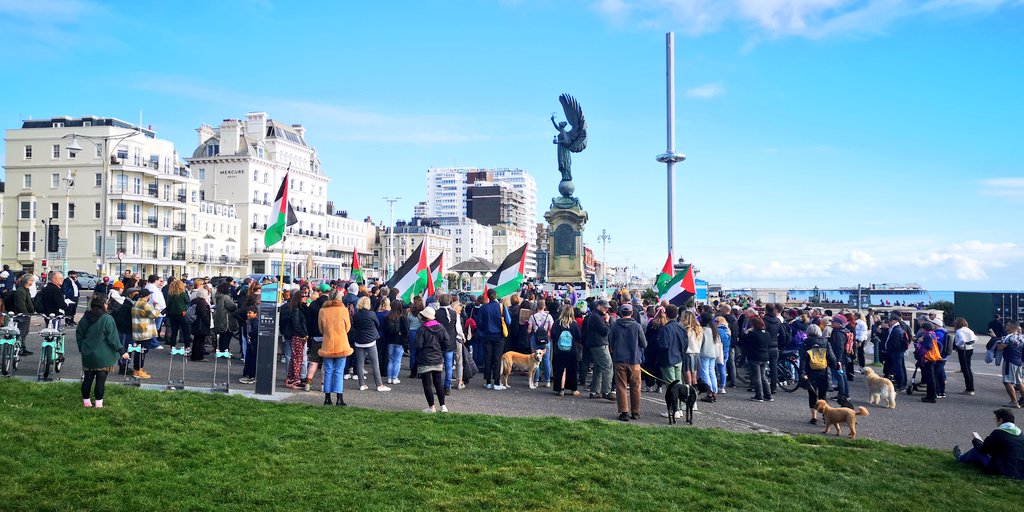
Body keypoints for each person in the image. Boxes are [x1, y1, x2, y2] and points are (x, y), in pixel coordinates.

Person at [76, 293, 130, 408]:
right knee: (100, 381)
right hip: (103, 354)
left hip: (88, 353)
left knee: (88, 379)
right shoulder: (107, 318)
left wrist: (82, 347)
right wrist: (122, 351)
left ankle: (86, 402)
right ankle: (99, 404)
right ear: (103, 305)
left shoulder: (86, 317)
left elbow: (79, 334)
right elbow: (113, 338)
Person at [954, 408, 1024, 480]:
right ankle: (972, 460)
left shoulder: (998, 433)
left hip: (1002, 470)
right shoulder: (1020, 434)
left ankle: (960, 457)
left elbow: (982, 450)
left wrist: (976, 441)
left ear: (1000, 420)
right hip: (1020, 470)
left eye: (995, 419)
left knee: (976, 451)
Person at [609, 303, 646, 421]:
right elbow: (644, 343)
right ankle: (636, 411)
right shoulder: (637, 326)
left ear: (621, 312)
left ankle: (624, 411)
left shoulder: (615, 326)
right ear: (631, 313)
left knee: (621, 386)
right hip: (634, 360)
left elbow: (611, 342)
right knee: (636, 386)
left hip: (619, 359)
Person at [319, 289, 353, 406]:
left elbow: (321, 329)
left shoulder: (323, 311)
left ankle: (327, 398)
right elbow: (347, 327)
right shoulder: (343, 310)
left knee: (328, 370)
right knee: (339, 371)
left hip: (327, 343)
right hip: (341, 343)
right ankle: (339, 398)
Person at [800, 324, 837, 425]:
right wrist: (833, 366)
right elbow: (832, 357)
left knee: (812, 394)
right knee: (822, 394)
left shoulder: (805, 343)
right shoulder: (825, 342)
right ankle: (826, 416)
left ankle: (814, 417)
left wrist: (803, 373)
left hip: (810, 371)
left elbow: (803, 360)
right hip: (823, 371)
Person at [414, 306, 449, 412]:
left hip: (425, 359)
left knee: (427, 384)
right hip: (437, 357)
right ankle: (443, 406)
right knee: (438, 382)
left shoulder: (422, 329)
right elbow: (447, 342)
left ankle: (431, 407)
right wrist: (440, 350)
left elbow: (418, 344)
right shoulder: (441, 327)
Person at [352, 296, 390, 392]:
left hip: (359, 340)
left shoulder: (356, 315)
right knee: (375, 363)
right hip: (370, 340)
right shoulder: (372, 313)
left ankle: (362, 384)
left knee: (360, 364)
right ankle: (379, 384)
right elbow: (377, 324)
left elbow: (354, 326)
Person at [476, 289, 507, 390]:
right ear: (496, 295)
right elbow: (508, 321)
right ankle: (497, 382)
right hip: (499, 335)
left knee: (487, 357)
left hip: (487, 335)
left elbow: (479, 322)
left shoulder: (483, 308)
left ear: (488, 296)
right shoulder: (501, 307)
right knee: (497, 358)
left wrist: (484, 329)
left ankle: (488, 381)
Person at [551, 302, 582, 397]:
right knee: (571, 369)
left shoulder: (557, 323)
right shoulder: (574, 324)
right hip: (571, 350)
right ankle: (573, 388)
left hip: (559, 350)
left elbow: (553, 335)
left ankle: (560, 389)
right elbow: (578, 336)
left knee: (559, 369)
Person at [585, 299, 613, 400]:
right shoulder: (597, 317)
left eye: (607, 308)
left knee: (598, 368)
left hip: (596, 344)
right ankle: (606, 391)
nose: (606, 310)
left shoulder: (594, 315)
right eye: (605, 307)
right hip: (600, 344)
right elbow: (605, 331)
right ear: (599, 306)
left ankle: (595, 391)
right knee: (607, 367)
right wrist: (607, 321)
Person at [129, 289, 160, 379]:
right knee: (142, 351)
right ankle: (138, 370)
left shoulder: (136, 303)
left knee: (139, 351)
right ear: (147, 296)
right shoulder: (145, 305)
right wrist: (157, 306)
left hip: (137, 331)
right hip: (145, 332)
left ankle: (138, 368)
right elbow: (154, 314)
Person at [741, 314, 771, 402]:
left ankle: (759, 395)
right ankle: (768, 395)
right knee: (763, 376)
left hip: (754, 356)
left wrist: (746, 332)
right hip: (764, 356)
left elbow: (744, 341)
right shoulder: (767, 333)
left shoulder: (752, 333)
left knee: (756, 377)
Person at [435, 295, 460, 394]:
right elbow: (457, 329)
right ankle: (447, 387)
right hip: (450, 341)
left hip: (438, 342)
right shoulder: (454, 314)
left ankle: (439, 387)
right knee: (449, 366)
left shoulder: (436, 313)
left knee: (438, 366)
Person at [996, 322, 1024, 408]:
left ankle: (1014, 401)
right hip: (1019, 361)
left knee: (1007, 381)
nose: (1006, 326)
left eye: (1007, 325)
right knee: (1019, 382)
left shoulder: (1009, 337)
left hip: (1009, 360)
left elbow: (1000, 348)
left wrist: (998, 343)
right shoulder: (1022, 337)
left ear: (1012, 327)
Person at [527, 299, 554, 388]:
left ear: (536, 307)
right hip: (545, 340)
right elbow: (551, 328)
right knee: (546, 360)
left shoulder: (532, 317)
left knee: (535, 360)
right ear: (544, 306)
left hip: (535, 339)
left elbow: (529, 330)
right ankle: (547, 381)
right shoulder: (548, 316)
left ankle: (536, 381)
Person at [382, 298, 409, 385]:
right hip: (399, 340)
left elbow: (384, 330)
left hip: (390, 340)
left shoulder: (387, 317)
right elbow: (406, 331)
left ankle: (389, 378)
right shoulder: (403, 318)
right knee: (397, 360)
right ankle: (395, 378)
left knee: (390, 359)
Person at [9, 274, 36, 355]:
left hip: (25, 314)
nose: (32, 282)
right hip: (22, 315)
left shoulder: (25, 290)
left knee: (24, 333)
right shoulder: (21, 291)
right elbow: (21, 304)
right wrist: (26, 314)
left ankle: (22, 348)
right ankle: (19, 349)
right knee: (21, 333)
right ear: (26, 281)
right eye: (31, 281)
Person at [915, 321, 941, 404]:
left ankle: (931, 396)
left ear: (925, 329)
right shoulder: (933, 334)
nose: (922, 330)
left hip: (928, 359)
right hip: (933, 358)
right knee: (931, 378)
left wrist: (920, 342)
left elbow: (928, 346)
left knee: (930, 379)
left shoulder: (927, 336)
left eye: (922, 328)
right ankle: (930, 395)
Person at [698, 312, 721, 402]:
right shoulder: (714, 329)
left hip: (704, 353)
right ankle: (714, 391)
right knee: (712, 372)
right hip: (714, 353)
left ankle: (709, 392)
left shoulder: (703, 330)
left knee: (704, 373)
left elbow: (700, 343)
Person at [829, 316, 851, 403]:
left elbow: (840, 347)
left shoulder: (838, 333)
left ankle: (842, 395)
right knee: (843, 375)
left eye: (833, 322)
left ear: (838, 324)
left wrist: (838, 360)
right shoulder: (844, 331)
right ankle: (845, 394)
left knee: (840, 376)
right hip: (843, 357)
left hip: (839, 358)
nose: (831, 323)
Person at [954, 317, 978, 396]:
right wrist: (970, 343)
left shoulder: (959, 331)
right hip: (970, 349)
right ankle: (970, 388)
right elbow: (976, 339)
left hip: (963, 349)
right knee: (968, 368)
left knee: (965, 369)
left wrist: (957, 345)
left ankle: (969, 389)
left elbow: (962, 340)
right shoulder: (969, 330)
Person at [212, 282, 237, 356]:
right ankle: (225, 351)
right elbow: (231, 306)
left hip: (220, 317)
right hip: (227, 318)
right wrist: (236, 304)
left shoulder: (218, 296)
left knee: (222, 335)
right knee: (227, 335)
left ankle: (221, 350)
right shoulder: (226, 297)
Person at [164, 279, 190, 348]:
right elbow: (188, 301)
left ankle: (173, 346)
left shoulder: (170, 294)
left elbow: (168, 304)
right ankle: (187, 347)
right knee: (185, 331)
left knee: (174, 332)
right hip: (182, 314)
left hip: (172, 314)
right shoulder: (183, 293)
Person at [189, 288, 212, 362]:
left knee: (196, 340)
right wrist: (208, 322)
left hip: (195, 323)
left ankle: (194, 355)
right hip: (201, 325)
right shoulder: (203, 303)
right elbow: (204, 315)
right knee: (200, 341)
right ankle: (199, 356)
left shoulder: (194, 301)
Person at [406, 296, 424, 379]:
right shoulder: (423, 313)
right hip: (420, 332)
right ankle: (421, 371)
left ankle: (413, 371)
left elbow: (408, 324)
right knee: (420, 352)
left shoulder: (409, 313)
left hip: (412, 332)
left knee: (412, 352)